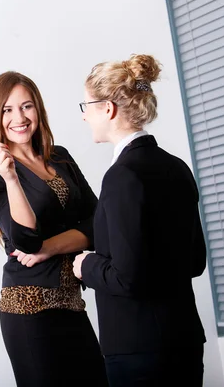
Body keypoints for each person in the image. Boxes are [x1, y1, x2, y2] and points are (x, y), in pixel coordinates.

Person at [72, 54, 207, 387]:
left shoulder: (122, 176)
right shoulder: (178, 168)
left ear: (108, 109)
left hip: (139, 349)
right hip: (185, 341)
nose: (85, 116)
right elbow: (195, 261)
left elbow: (127, 278)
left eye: (86, 106)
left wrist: (85, 266)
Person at [0, 71, 108, 386]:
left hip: (72, 303)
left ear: (39, 110)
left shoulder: (60, 157)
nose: (19, 117)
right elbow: (26, 239)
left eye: (27, 106)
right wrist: (10, 178)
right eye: (7, 110)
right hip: (27, 309)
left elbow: (98, 222)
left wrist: (51, 247)